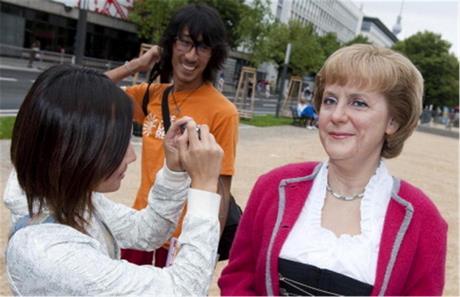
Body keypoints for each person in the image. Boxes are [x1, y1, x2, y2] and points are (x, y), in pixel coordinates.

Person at [219, 44, 447, 295]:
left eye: (358, 103)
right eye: (330, 100)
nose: (337, 115)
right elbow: (238, 278)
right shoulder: (273, 187)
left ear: (392, 121)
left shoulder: (422, 220)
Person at [4, 64, 224, 295]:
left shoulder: (63, 200)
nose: (131, 156)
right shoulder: (50, 253)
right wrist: (205, 189)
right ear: (74, 149)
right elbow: (183, 291)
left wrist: (174, 171)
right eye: (117, 145)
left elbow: (147, 231)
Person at [105, 3, 239, 266]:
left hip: (181, 243)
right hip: (141, 229)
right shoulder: (151, 96)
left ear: (214, 55)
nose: (191, 56)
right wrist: (138, 64)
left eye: (203, 47)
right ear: (171, 44)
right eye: (185, 42)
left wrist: (206, 252)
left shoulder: (223, 112)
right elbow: (89, 92)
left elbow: (220, 189)